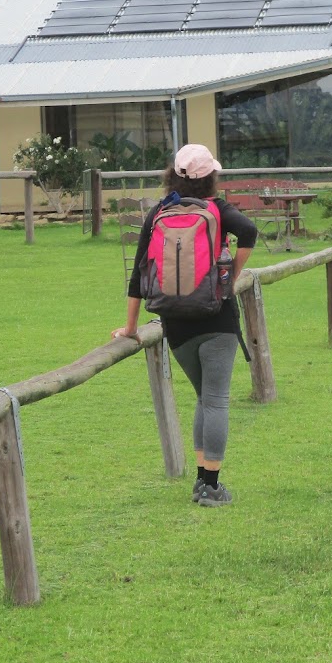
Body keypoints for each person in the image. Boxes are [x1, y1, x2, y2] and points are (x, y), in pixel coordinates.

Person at [111, 144, 258, 507]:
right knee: (216, 400)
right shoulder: (217, 209)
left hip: (175, 325)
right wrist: (231, 278)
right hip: (216, 319)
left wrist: (130, 327)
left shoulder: (159, 212)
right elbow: (249, 232)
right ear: (210, 176)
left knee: (204, 399)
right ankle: (211, 486)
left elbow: (138, 275)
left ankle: (201, 481)